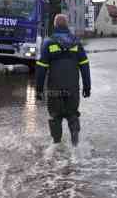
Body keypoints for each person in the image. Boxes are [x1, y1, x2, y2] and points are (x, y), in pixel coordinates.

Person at [35, 14, 91, 146]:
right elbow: (85, 66)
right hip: (72, 89)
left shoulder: (48, 43)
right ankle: (75, 145)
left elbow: (41, 69)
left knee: (55, 116)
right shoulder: (76, 42)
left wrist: (38, 90)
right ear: (67, 25)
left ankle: (56, 146)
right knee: (72, 115)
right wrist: (87, 87)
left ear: (55, 25)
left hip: (54, 89)